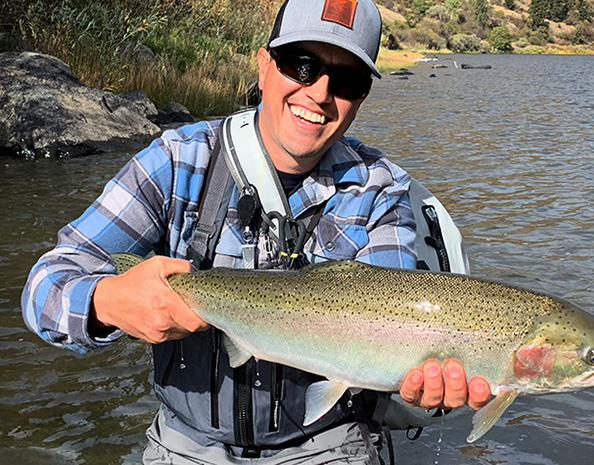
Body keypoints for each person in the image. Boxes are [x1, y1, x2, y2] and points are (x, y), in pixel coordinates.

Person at [22, 0, 491, 463]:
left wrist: (425, 385)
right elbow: (45, 286)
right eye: (301, 65)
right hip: (186, 444)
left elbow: (393, 311)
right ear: (264, 66)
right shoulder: (177, 161)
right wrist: (108, 302)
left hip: (330, 444)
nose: (320, 93)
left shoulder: (380, 190)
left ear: (362, 97)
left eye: (347, 80)